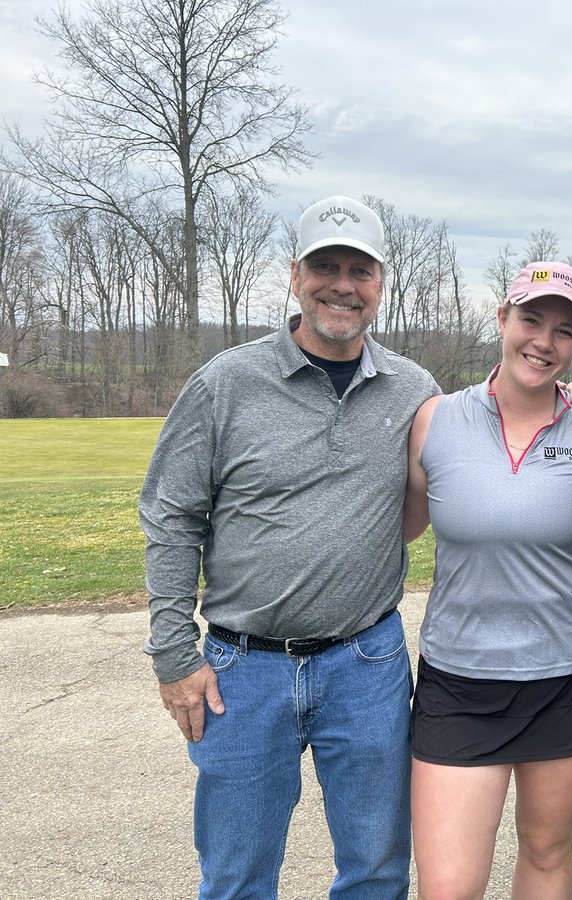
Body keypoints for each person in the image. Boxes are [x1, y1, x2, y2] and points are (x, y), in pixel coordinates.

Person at [139, 195, 440, 899]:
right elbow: (171, 516)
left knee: (377, 870)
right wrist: (173, 654)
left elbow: (491, 429)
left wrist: (570, 397)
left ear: (381, 284)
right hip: (243, 670)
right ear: (296, 276)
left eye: (360, 271)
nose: (343, 285)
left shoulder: (413, 390)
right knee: (237, 876)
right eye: (325, 267)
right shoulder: (226, 383)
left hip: (367, 664)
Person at [403, 262, 572, 900]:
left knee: (545, 849)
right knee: (448, 887)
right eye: (531, 319)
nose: (544, 341)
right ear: (502, 318)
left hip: (567, 675)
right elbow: (400, 527)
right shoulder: (435, 420)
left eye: (565, 331)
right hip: (459, 679)